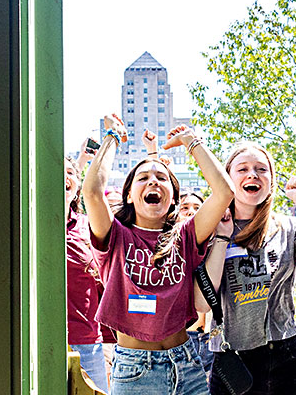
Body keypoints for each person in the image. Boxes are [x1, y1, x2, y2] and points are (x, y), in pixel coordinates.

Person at [83, 116, 234, 395]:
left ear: (173, 198)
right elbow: (92, 191)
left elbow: (224, 191)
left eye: (161, 178)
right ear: (129, 195)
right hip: (135, 372)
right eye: (143, 178)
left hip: (187, 364)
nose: (153, 181)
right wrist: (112, 136)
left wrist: (191, 141)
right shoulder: (115, 236)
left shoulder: (187, 236)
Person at [198, 142, 296, 395]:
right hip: (233, 360)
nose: (252, 174)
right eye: (242, 169)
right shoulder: (209, 228)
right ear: (228, 179)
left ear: (271, 181)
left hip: (287, 355)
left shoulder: (290, 227)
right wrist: (221, 238)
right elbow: (201, 304)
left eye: (261, 169)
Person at [65, 155, 109, 392]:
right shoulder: (29, 224)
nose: (64, 177)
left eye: (70, 172)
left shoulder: (89, 225)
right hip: (38, 338)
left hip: (86, 341)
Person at [178, 192, 216, 386]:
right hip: (183, 339)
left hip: (213, 337)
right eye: (184, 207)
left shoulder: (218, 247)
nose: (191, 212)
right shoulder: (170, 251)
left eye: (197, 208)